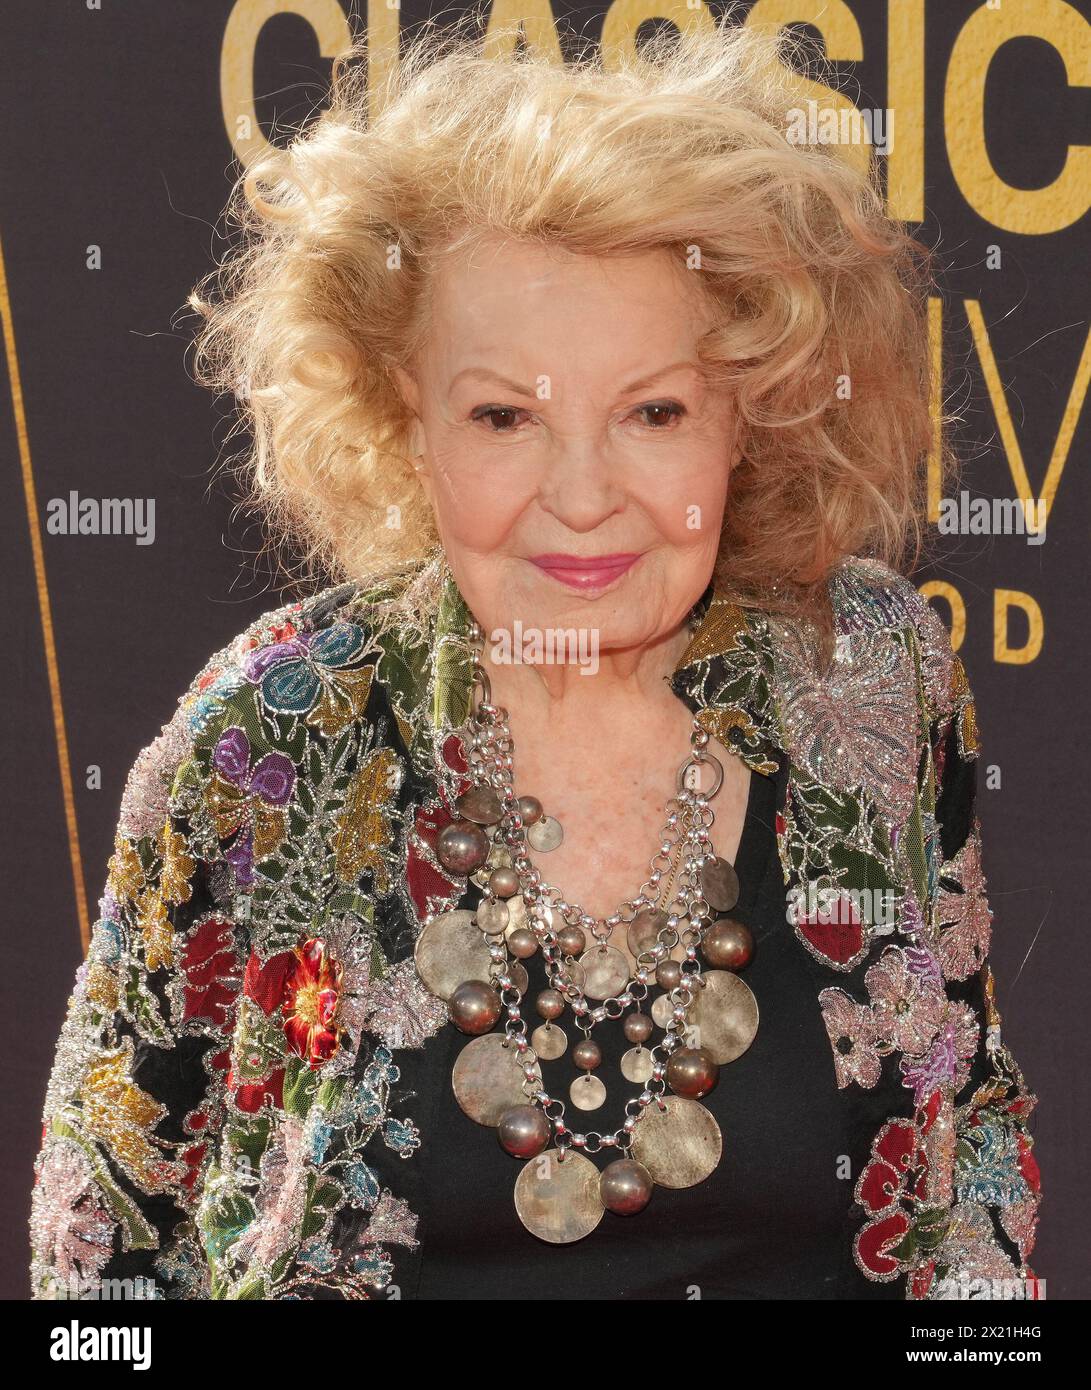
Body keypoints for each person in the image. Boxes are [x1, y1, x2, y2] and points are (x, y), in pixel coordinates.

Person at [30, 14, 1041, 1300]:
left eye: (652, 412)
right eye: (505, 415)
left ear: (749, 412)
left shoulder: (868, 674)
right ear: (408, 420)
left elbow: (972, 1180)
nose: (581, 496)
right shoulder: (267, 733)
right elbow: (88, 1286)